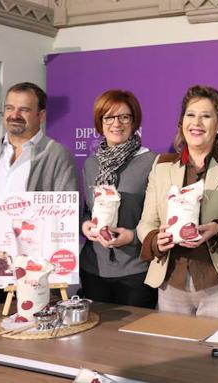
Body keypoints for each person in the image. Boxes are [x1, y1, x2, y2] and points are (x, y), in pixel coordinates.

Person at [136, 85, 218, 320]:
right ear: (182, 122)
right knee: (176, 355)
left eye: (206, 116)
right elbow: (145, 223)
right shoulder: (161, 166)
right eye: (190, 115)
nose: (197, 123)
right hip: (171, 285)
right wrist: (156, 239)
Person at [0, 82, 77, 309]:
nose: (14, 115)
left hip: (36, 275)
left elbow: (64, 221)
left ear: (41, 115)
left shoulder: (57, 156)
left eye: (24, 109)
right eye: (9, 108)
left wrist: (4, 250)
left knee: (33, 339)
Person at [79, 90, 157, 308]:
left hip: (136, 271)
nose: (117, 123)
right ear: (100, 122)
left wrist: (132, 236)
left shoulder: (152, 162)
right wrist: (86, 226)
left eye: (124, 117)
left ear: (134, 121)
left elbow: (160, 219)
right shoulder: (91, 164)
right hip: (93, 268)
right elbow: (87, 210)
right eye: (109, 117)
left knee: (133, 340)